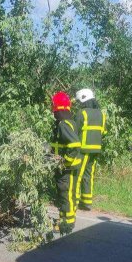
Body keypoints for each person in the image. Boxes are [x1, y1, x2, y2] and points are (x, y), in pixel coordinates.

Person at [50, 91, 83, 233]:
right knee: (69, 194)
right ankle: (65, 218)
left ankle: (66, 224)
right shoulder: (70, 121)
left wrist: (65, 162)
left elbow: (74, 144)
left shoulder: (63, 124)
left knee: (65, 194)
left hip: (67, 168)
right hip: (70, 166)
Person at [74, 88, 107, 211]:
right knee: (88, 175)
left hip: (83, 150)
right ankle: (87, 202)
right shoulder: (101, 114)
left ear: (83, 99)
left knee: (77, 174)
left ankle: (75, 200)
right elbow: (103, 132)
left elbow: (75, 131)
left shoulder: (81, 113)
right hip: (96, 150)